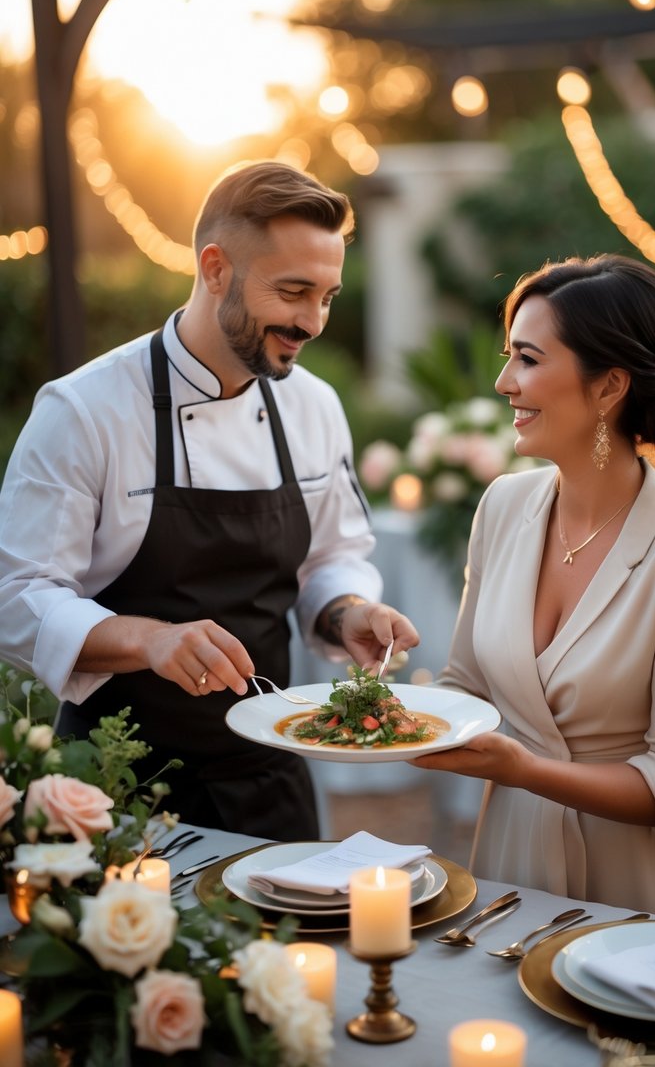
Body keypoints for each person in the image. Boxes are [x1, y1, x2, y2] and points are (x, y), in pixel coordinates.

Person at [0, 160, 418, 839]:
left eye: (328, 296)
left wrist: (349, 612)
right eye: (292, 292)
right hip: (113, 785)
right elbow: (17, 597)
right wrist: (149, 640)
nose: (312, 321)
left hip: (269, 776)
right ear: (216, 268)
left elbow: (333, 556)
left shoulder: (313, 406)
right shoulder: (84, 410)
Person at [414, 254, 655, 921]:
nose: (503, 381)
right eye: (509, 356)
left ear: (608, 388)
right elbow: (464, 687)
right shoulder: (502, 507)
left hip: (637, 885)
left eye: (528, 360)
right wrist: (389, 707)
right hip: (511, 860)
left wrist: (519, 770)